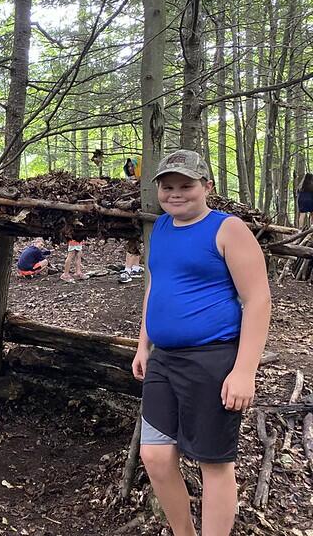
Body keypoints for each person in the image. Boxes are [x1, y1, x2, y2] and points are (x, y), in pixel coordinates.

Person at [131, 150, 271, 536]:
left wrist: (244, 371)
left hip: (213, 358)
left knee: (213, 462)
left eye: (186, 186)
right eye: (168, 186)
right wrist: (144, 344)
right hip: (164, 359)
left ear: (206, 187)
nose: (176, 194)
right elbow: (157, 286)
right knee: (155, 455)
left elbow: (258, 299)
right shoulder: (160, 228)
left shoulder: (228, 229)